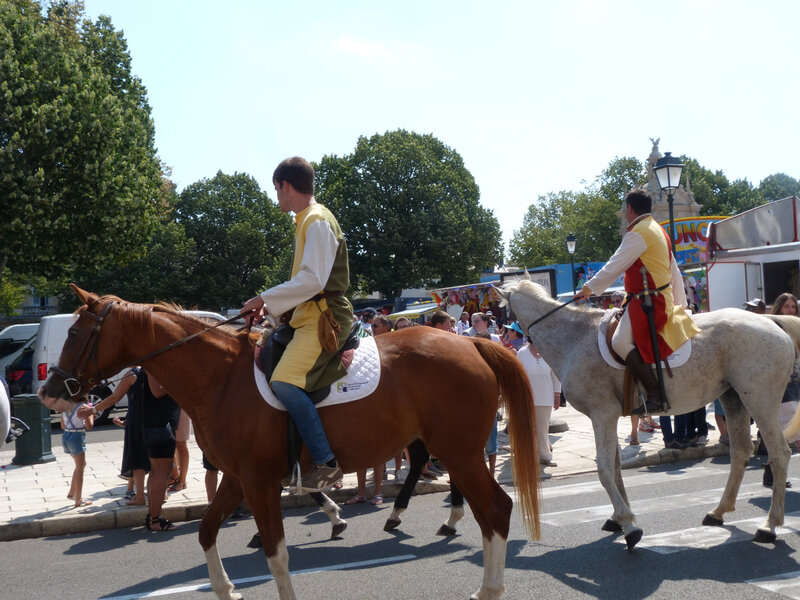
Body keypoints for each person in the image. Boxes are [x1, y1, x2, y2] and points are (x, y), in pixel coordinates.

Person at [242, 156, 352, 492]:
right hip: (310, 315)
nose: (277, 197)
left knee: (285, 383)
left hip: (324, 320)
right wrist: (273, 311)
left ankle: (326, 462)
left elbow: (313, 280)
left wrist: (263, 299)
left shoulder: (315, 221)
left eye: (276, 191)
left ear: (286, 185)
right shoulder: (307, 219)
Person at [579, 188, 700, 415]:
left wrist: (588, 289)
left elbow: (614, 265)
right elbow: (673, 269)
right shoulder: (658, 230)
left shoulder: (637, 233)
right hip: (658, 298)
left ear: (630, 209)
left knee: (619, 343)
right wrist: (680, 303)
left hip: (648, 303)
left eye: (626, 210)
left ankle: (655, 392)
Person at [517, 337, 561, 475]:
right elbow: (517, 374)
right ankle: (527, 457)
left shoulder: (549, 352)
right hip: (526, 398)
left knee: (543, 429)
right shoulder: (522, 353)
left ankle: (545, 456)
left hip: (546, 396)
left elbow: (556, 375)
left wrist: (557, 394)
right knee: (527, 429)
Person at [61, 400, 95, 507]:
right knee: (80, 468)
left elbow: (62, 425)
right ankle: (79, 498)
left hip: (66, 436)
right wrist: (90, 415)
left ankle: (72, 492)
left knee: (80, 464)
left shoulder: (64, 405)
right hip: (77, 436)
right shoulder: (84, 407)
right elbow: (89, 426)